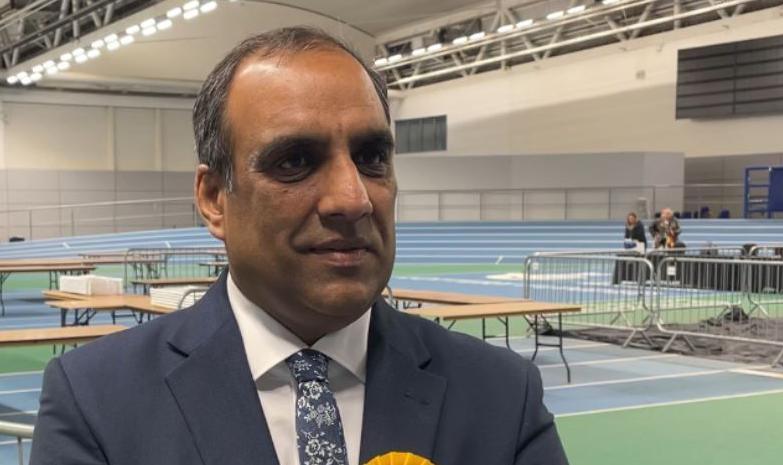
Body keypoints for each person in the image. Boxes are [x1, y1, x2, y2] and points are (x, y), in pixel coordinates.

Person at [30, 27, 568, 465]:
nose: (352, 198)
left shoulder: (501, 395)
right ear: (215, 198)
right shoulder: (96, 401)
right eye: (295, 161)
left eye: (371, 156)